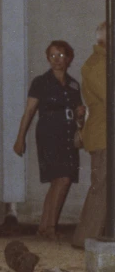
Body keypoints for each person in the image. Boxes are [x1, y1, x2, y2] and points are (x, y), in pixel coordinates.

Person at [13, 40, 84, 240]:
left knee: (59, 181)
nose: (56, 60)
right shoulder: (40, 82)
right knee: (62, 179)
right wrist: (20, 139)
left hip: (68, 135)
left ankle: (43, 228)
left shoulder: (73, 84)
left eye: (61, 55)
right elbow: (29, 111)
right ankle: (51, 228)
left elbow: (78, 115)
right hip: (48, 134)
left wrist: (80, 113)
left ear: (68, 58)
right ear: (47, 58)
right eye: (52, 56)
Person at [72, 22, 107, 248]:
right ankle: (85, 240)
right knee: (101, 187)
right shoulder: (96, 65)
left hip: (106, 132)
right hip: (104, 134)